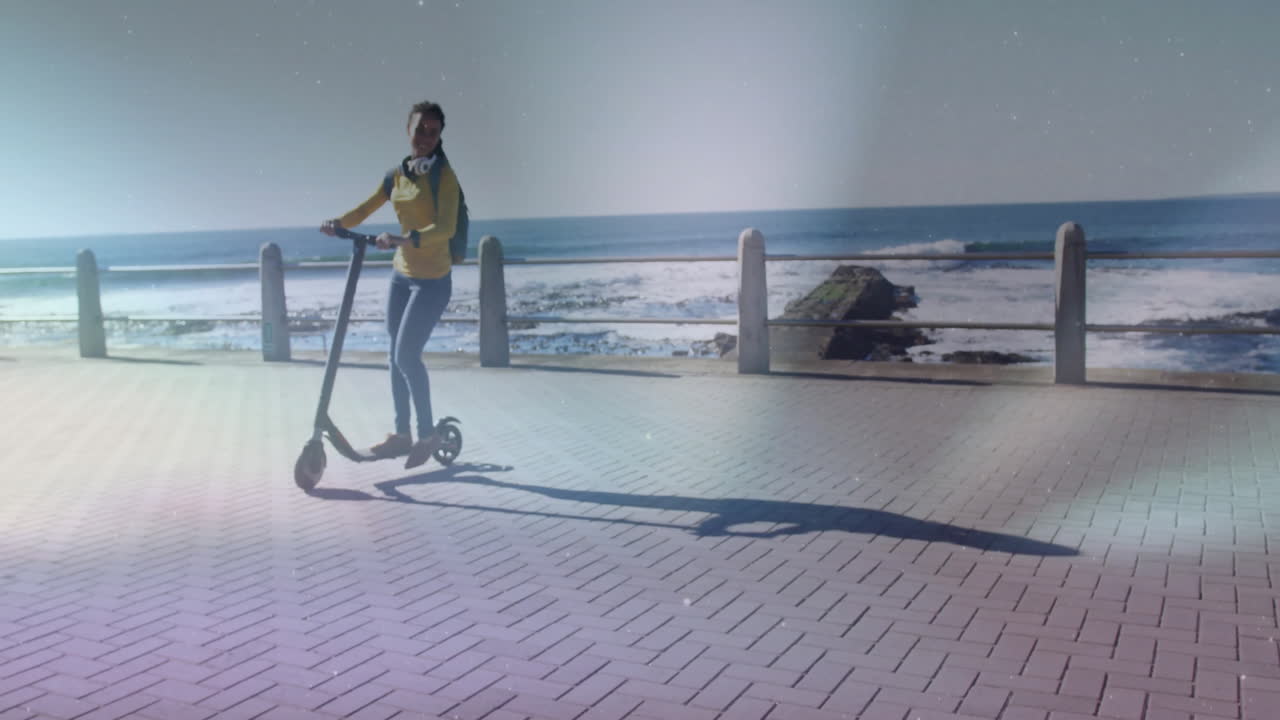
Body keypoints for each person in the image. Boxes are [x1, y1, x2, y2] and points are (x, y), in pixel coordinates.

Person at [320, 100, 464, 469]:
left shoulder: (444, 179)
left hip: (432, 281)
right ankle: (402, 435)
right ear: (408, 130)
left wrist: (403, 239)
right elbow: (367, 207)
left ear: (439, 136)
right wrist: (338, 222)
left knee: (405, 355)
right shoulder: (397, 175)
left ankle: (427, 433)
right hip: (402, 277)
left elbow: (445, 229)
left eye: (433, 133)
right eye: (420, 130)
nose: (425, 139)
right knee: (393, 355)